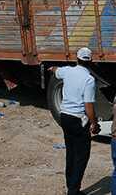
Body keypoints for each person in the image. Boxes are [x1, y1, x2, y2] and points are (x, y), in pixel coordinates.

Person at [48, 47, 99, 195]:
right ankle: (73, 190)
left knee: (70, 152)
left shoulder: (68, 71)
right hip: (78, 119)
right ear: (91, 61)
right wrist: (94, 123)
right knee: (82, 155)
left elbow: (56, 70)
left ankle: (71, 185)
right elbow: (88, 105)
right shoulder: (89, 80)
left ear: (76, 59)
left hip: (65, 117)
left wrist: (51, 68)